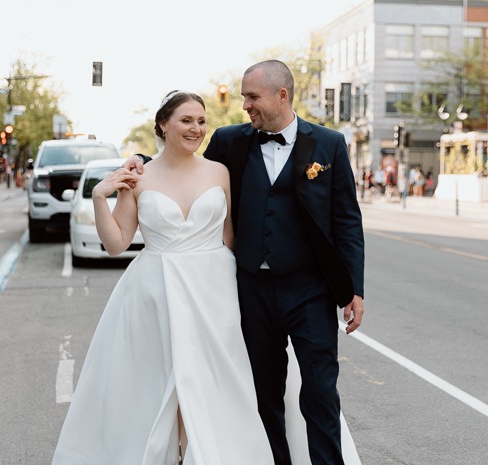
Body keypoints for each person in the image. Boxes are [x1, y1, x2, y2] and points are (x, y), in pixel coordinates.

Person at [126, 60, 365, 465]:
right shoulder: (229, 141)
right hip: (250, 289)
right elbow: (183, 163)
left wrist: (354, 289)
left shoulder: (328, 144)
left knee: (321, 392)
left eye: (252, 97)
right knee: (263, 394)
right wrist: (138, 160)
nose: (245, 106)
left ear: (281, 95)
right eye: (244, 98)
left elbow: (346, 220)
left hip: (310, 290)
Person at [51, 91, 276, 465]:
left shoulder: (219, 172)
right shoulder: (138, 176)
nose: (196, 129)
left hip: (213, 292)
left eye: (201, 121)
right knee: (156, 387)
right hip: (154, 293)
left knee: (210, 384)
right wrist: (99, 197)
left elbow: (231, 238)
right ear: (163, 124)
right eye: (186, 120)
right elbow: (116, 243)